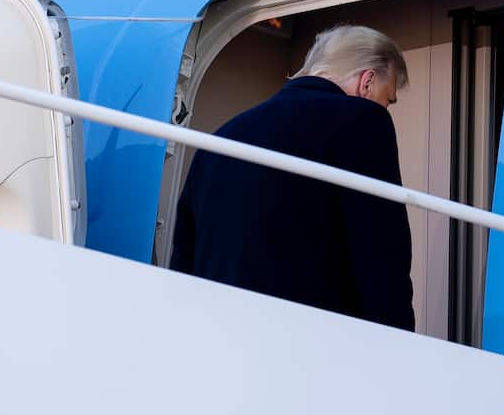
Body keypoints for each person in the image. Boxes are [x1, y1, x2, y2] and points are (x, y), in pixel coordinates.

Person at [170, 24, 415, 332]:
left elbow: (184, 257)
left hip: (222, 336)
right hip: (313, 343)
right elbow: (381, 252)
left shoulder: (223, 136)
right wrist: (398, 345)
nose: (385, 107)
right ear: (366, 82)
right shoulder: (362, 120)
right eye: (388, 98)